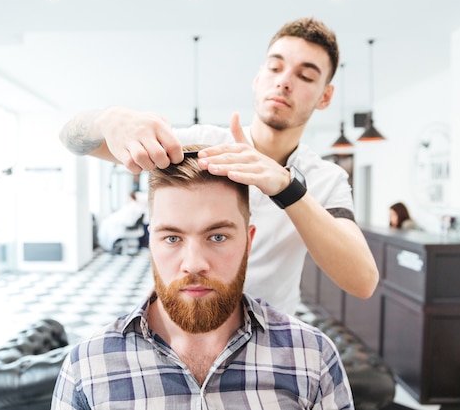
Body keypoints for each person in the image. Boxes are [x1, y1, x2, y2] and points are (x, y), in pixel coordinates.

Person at [59, 17, 378, 315]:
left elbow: (362, 281)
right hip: (179, 324)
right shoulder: (199, 144)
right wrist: (107, 121)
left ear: (325, 96)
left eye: (305, 75)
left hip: (265, 342)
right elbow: (70, 137)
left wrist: (285, 187)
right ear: (258, 78)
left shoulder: (325, 179)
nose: (284, 82)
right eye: (275, 68)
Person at [51, 146, 354, 409]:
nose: (194, 264)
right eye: (172, 238)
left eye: (218, 237)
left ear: (249, 242)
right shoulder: (87, 368)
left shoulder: (311, 357)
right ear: (151, 242)